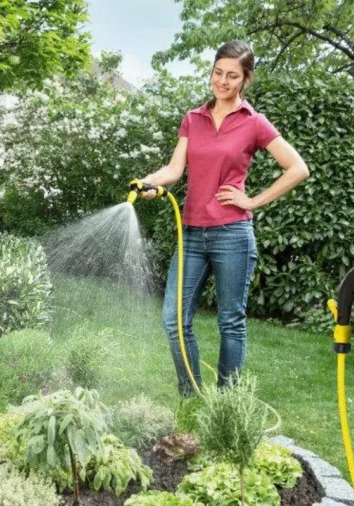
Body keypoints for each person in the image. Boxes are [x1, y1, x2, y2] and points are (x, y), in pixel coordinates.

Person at [137, 40, 309, 395]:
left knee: (231, 323)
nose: (223, 82)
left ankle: (227, 403)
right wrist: (149, 182)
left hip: (232, 233)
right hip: (192, 236)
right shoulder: (193, 118)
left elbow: (297, 168)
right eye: (218, 73)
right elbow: (174, 169)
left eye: (233, 76)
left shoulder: (254, 122)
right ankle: (193, 395)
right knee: (174, 320)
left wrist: (253, 200)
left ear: (246, 80)